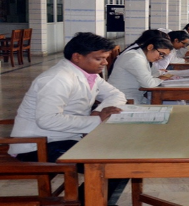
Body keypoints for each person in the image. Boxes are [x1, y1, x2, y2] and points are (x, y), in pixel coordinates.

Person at [9, 32, 129, 204]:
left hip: (64, 137)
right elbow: (47, 119)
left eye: (106, 58)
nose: (105, 63)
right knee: (112, 165)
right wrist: (97, 120)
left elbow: (116, 94)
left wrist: (99, 112)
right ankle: (90, 201)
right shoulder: (57, 78)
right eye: (99, 58)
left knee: (122, 158)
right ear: (77, 57)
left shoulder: (90, 75)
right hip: (38, 145)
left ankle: (94, 201)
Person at [108, 35, 174, 104]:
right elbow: (148, 84)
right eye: (161, 54)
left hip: (135, 97)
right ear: (150, 47)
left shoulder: (143, 56)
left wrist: (161, 74)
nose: (160, 57)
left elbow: (154, 73)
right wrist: (161, 79)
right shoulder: (135, 58)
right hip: (125, 100)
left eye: (163, 56)